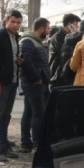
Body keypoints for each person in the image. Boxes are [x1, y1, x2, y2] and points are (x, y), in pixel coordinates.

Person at [0, 10, 25, 162]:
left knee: (5, 115)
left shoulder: (14, 37)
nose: (16, 25)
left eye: (18, 22)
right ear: (6, 20)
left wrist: (18, 61)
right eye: (13, 21)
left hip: (11, 81)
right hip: (0, 82)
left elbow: (8, 58)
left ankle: (3, 145)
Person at [19, 18, 51, 153]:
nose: (49, 31)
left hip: (36, 82)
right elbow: (26, 62)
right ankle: (37, 144)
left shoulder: (35, 41)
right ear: (42, 28)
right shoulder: (28, 41)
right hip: (33, 83)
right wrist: (36, 78)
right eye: (48, 28)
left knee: (29, 112)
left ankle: (26, 143)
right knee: (38, 113)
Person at [49, 13, 81, 89]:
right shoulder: (58, 37)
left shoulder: (70, 37)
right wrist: (74, 35)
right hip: (58, 74)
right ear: (70, 25)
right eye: (76, 24)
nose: (77, 27)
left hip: (67, 74)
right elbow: (64, 52)